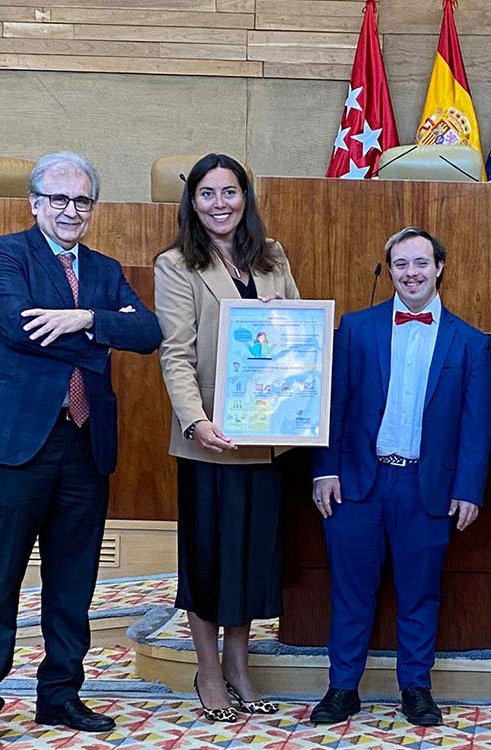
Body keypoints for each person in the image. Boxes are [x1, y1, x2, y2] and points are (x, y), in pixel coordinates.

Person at [0, 151, 162, 749]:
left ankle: (60, 696)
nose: (72, 211)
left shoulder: (105, 267)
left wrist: (80, 318)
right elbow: (18, 326)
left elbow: (146, 332)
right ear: (36, 203)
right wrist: (100, 327)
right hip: (11, 444)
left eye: (82, 201)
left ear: (93, 207)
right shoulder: (2, 253)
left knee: (74, 581)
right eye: (59, 200)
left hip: (83, 442)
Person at [310, 226, 491, 727]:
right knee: (350, 592)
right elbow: (335, 405)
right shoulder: (356, 329)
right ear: (388, 271)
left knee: (420, 592)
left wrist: (468, 489)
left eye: (420, 263)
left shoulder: (470, 343)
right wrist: (324, 469)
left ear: (439, 268)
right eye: (400, 265)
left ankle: (416, 687)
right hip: (357, 484)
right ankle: (342, 688)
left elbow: (476, 425)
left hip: (426, 487)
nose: (411, 273)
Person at [154, 153, 300, 722]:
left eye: (230, 192)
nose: (221, 203)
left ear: (247, 197)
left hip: (265, 438)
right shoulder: (176, 264)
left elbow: (297, 332)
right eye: (208, 193)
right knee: (209, 559)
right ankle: (208, 673)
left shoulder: (272, 256)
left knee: (250, 559)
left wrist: (278, 314)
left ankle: (239, 666)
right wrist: (196, 420)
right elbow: (176, 354)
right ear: (192, 201)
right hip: (209, 439)